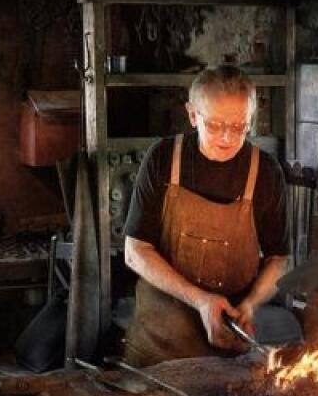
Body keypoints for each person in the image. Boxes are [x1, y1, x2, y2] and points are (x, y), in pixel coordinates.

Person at [122, 65, 289, 367]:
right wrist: (200, 300)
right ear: (192, 115)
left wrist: (250, 305)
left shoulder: (265, 172)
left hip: (228, 341)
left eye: (239, 127)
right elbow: (135, 252)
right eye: (214, 125)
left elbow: (279, 259)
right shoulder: (162, 159)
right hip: (160, 344)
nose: (227, 138)